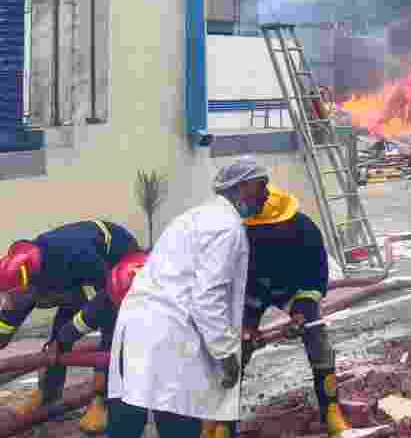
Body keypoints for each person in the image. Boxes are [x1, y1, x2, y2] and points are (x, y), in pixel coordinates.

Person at [106, 156, 270, 438]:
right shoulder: (227, 228)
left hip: (140, 328)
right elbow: (207, 298)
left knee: (128, 417)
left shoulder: (196, 216)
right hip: (172, 334)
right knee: (178, 418)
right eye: (261, 186)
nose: (267, 195)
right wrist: (226, 354)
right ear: (242, 187)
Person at [204, 184, 350, 437]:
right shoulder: (240, 234)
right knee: (235, 351)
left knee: (317, 338)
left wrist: (301, 313)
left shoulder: (304, 230)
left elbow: (315, 278)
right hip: (252, 291)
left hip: (294, 288)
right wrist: (248, 326)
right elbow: (236, 282)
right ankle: (223, 424)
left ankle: (331, 411)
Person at [0, 219, 141, 435]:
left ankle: (102, 400)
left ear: (32, 283)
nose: (7, 302)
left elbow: (101, 307)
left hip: (114, 263)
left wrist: (67, 335)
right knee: (58, 335)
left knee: (110, 330)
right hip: (76, 278)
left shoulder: (78, 257)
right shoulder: (25, 275)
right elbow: (8, 319)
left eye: (11, 296)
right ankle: (48, 393)